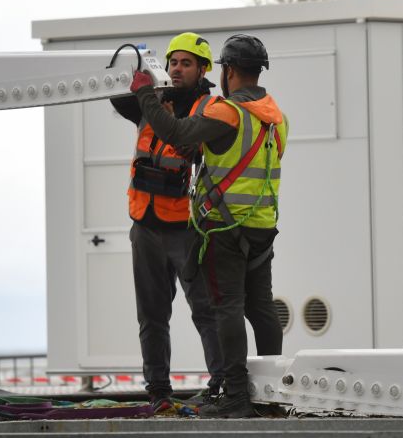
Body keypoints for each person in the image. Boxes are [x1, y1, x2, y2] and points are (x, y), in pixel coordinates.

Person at [129, 33, 288, 418]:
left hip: (222, 228)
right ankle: (270, 391)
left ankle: (233, 396)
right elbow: (242, 157)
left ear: (226, 70)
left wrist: (146, 95)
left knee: (224, 308)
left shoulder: (224, 110)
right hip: (262, 225)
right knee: (260, 308)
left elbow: (178, 133)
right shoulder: (276, 116)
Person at [111, 32, 224, 407]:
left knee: (206, 311)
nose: (177, 69)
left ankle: (221, 385)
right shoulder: (152, 101)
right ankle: (158, 391)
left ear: (202, 70)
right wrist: (136, 69)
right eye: (173, 62)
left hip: (186, 229)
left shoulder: (209, 110)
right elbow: (115, 94)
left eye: (185, 63)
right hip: (144, 224)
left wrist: (151, 97)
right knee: (152, 316)